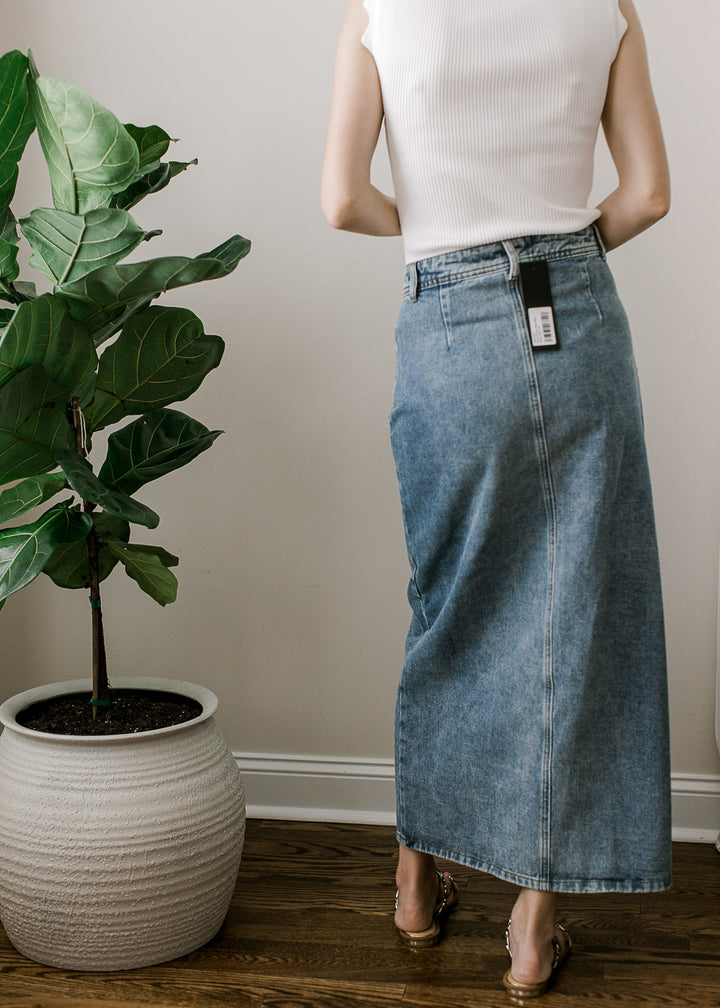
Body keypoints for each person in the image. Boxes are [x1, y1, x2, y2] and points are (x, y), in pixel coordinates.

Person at [321, 0, 672, 999]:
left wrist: (444, 239)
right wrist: (547, 255)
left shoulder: (379, 9)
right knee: (578, 612)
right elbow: (646, 197)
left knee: (450, 602)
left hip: (447, 321)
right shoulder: (607, 8)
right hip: (577, 315)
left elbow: (343, 200)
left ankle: (416, 883)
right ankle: (532, 926)